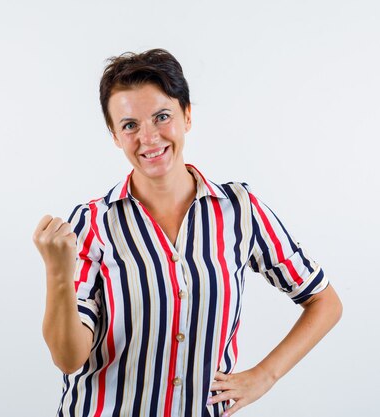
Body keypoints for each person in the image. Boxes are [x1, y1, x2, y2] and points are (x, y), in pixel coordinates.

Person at [33, 48, 343, 417]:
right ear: (115, 135)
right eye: (130, 125)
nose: (148, 138)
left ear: (187, 115)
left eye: (162, 117)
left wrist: (265, 376)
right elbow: (69, 359)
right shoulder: (92, 223)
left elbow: (324, 301)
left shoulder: (240, 209)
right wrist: (56, 273)